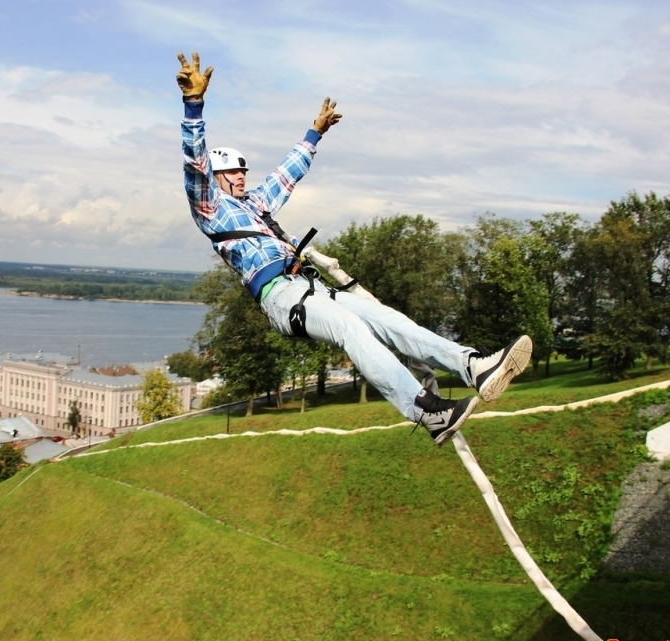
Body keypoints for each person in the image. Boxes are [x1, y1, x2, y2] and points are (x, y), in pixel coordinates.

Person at [176, 52, 532, 445]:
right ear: (218, 177)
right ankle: (428, 412)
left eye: (243, 170)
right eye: (232, 172)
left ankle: (473, 366)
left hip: (311, 287)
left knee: (391, 322)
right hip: (280, 295)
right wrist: (194, 106)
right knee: (351, 329)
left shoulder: (256, 205)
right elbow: (195, 165)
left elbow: (286, 174)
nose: (242, 176)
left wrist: (315, 134)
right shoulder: (211, 210)